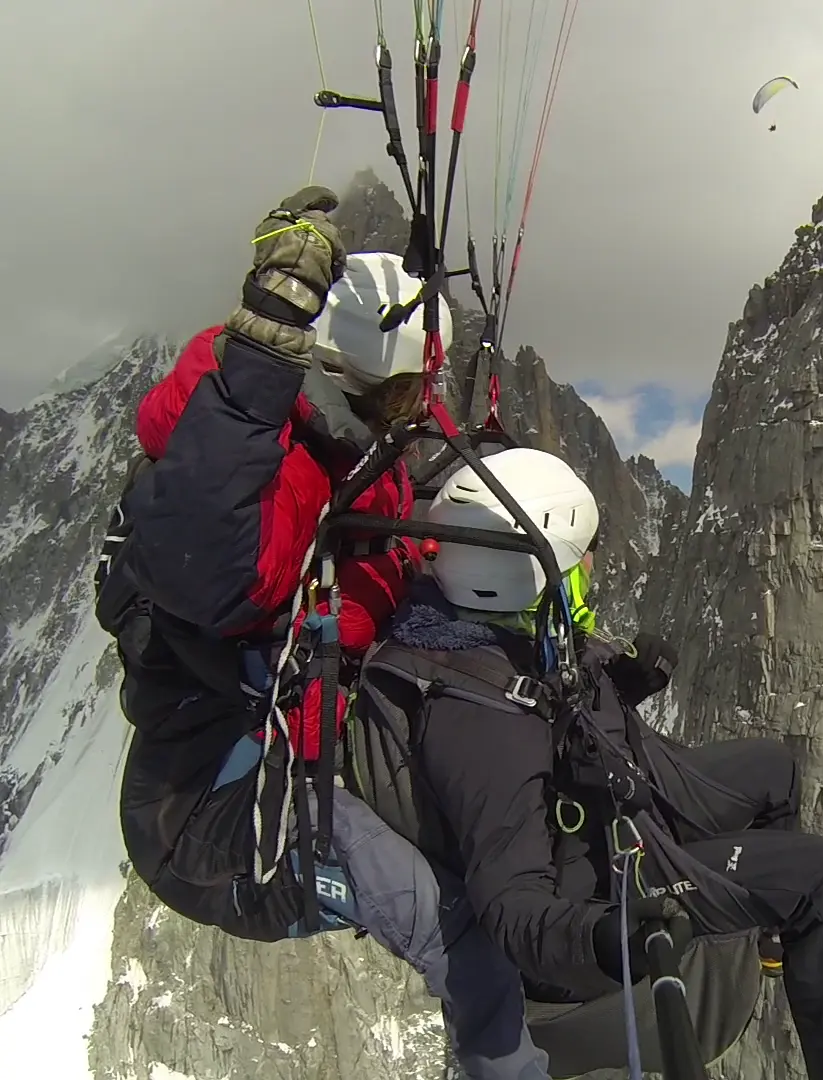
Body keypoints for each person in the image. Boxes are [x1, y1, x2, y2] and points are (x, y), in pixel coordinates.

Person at [94, 187, 551, 1080]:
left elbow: (390, 500)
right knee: (456, 928)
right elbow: (208, 572)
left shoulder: (349, 445)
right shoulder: (279, 467)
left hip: (275, 751)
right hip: (215, 817)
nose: (425, 407)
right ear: (372, 388)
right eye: (415, 390)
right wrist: (266, 339)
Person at [350, 446, 823, 1080]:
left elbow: (552, 719)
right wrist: (609, 938)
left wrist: (623, 683)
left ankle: (769, 940)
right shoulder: (481, 725)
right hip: (603, 885)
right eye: (579, 556)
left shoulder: (495, 631)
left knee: (776, 770)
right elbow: (511, 904)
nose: (590, 564)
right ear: (527, 576)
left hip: (610, 803)